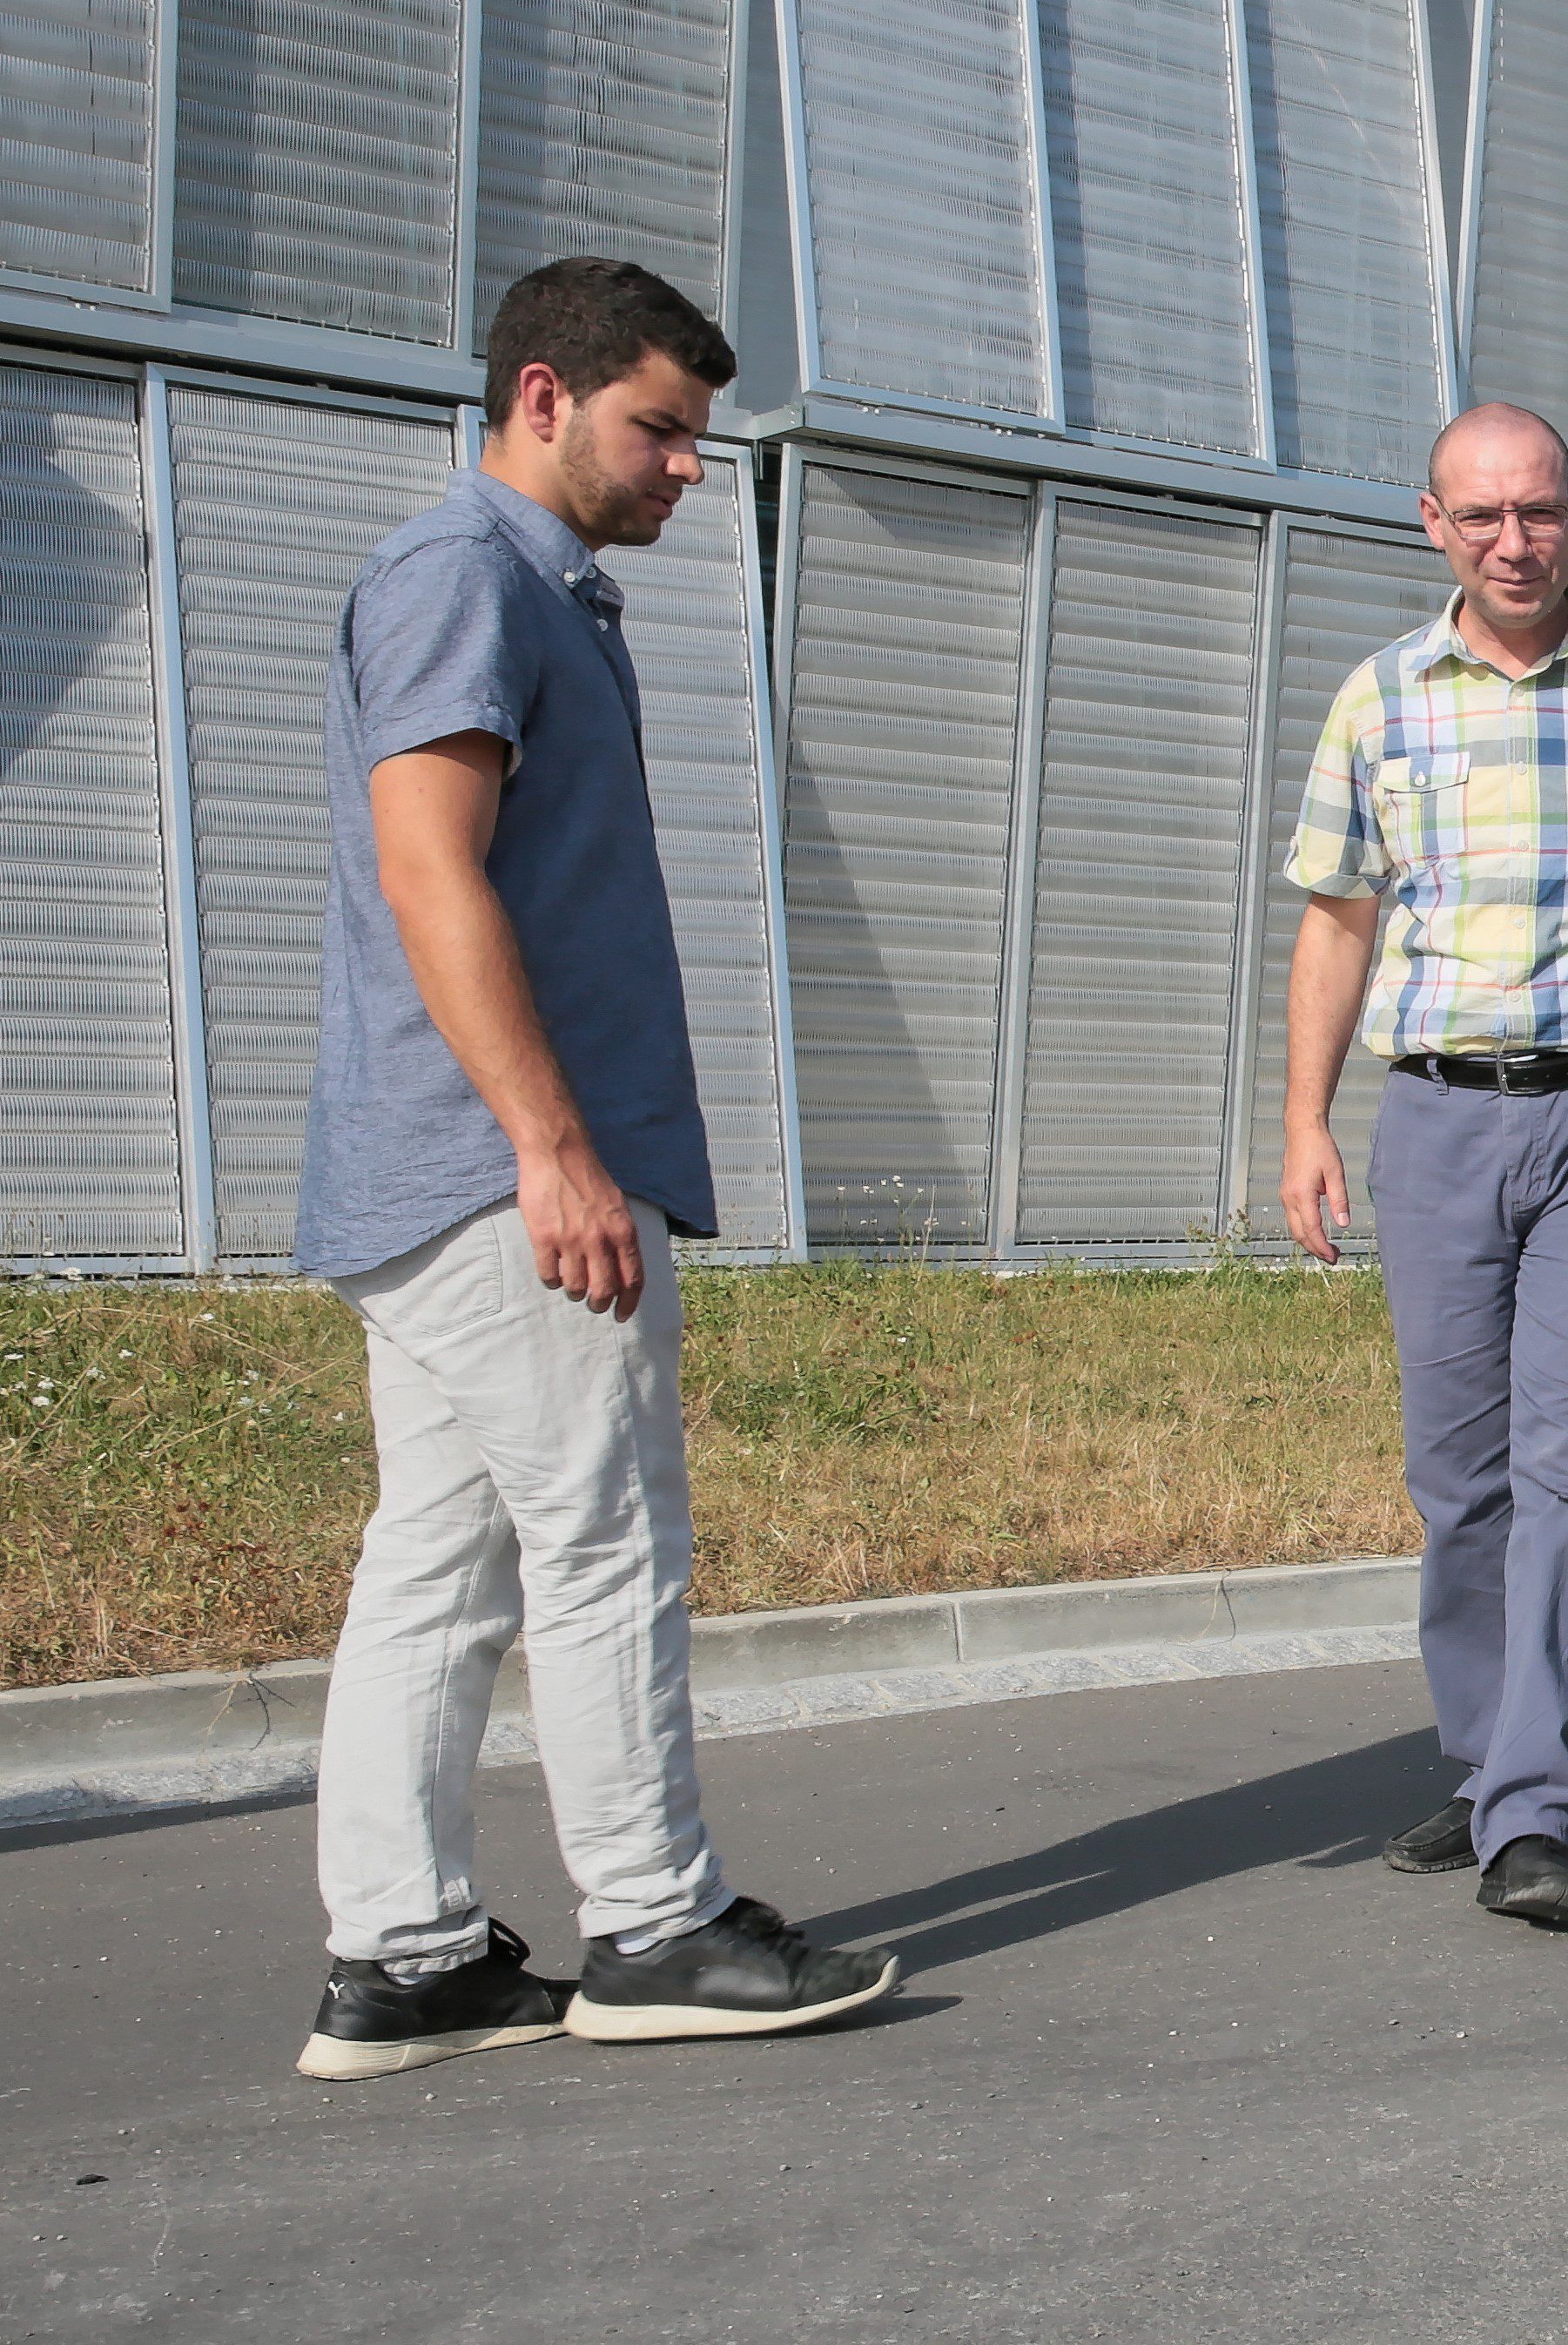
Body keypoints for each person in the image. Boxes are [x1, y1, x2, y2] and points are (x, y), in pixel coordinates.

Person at [295, 259, 897, 2082]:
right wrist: (553, 1150)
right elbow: (430, 869)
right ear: (541, 396)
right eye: (661, 430)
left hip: (449, 1166)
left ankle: (403, 1955)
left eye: (698, 441)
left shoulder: (532, 591)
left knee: (444, 1562)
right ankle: (651, 1917)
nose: (688, 471)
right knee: (604, 1535)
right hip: (504, 1176)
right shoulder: (464, 575)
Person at [1280, 402, 1568, 1931]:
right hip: (1432, 1121)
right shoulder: (1378, 700)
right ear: (1432, 522)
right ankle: (1491, 1761)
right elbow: (1337, 920)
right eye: (1480, 517)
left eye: (1537, 512)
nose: (1512, 541)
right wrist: (1299, 1123)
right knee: (1460, 1477)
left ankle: (1536, 1808)